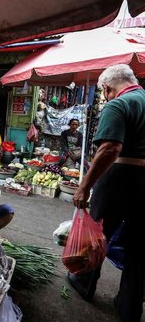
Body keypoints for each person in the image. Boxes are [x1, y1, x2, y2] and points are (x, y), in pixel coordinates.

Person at [70, 64, 144, 322]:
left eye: (105, 93)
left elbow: (110, 149)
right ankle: (129, 306)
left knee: (97, 236)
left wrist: (84, 186)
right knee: (138, 249)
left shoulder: (118, 104)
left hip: (120, 178)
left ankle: (84, 283)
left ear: (107, 88)